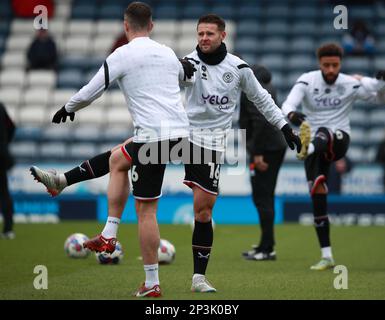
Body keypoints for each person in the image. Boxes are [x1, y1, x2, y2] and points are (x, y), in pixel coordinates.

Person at [31, 14, 301, 293]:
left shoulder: (240, 68)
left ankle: (198, 278)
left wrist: (285, 127)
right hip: (180, 132)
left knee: (204, 211)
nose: (204, 39)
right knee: (120, 157)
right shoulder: (183, 63)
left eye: (209, 34)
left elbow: (262, 99)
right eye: (200, 34)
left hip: (210, 144)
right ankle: (70, 189)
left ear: (223, 36)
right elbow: (158, 89)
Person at [35, 2, 197, 298]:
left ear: (126, 26)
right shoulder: (166, 52)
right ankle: (103, 228)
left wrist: (67, 108)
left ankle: (151, 283)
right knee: (118, 158)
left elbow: (93, 88)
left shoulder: (122, 54)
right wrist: (186, 68)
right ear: (151, 25)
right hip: (179, 135)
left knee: (146, 212)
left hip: (154, 139)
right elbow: (189, 78)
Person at [282, 43, 385, 271]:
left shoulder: (349, 82)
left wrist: (380, 81)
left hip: (339, 139)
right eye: (326, 65)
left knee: (324, 132)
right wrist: (291, 113)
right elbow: (287, 104)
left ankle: (305, 148)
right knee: (318, 196)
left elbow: (376, 91)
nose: (330, 69)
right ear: (319, 64)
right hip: (314, 139)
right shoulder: (307, 80)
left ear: (340, 64)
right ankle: (327, 256)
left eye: (335, 65)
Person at [239, 65, 287, 261]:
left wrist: (257, 153)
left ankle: (267, 249)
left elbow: (261, 122)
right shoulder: (268, 86)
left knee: (263, 197)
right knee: (265, 196)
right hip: (272, 147)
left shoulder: (255, 89)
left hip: (266, 150)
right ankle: (265, 244)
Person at [0, 102, 16, 239]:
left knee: (4, 193)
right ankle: (8, 229)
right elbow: (12, 127)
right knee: (4, 193)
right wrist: (4, 144)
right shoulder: (1, 107)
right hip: (1, 155)